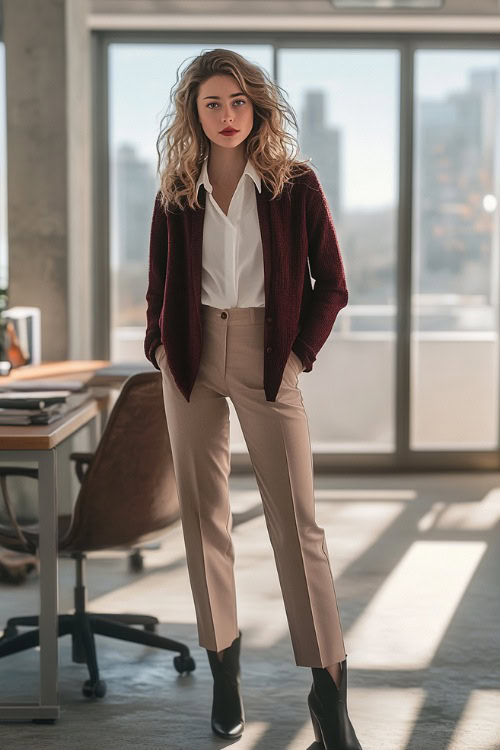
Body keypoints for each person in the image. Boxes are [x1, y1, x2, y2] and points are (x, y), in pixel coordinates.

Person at [144, 48, 363, 749]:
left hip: (271, 357)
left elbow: (332, 282)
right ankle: (225, 676)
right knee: (205, 519)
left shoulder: (295, 184)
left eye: (237, 102)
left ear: (257, 107)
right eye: (212, 103)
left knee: (298, 526)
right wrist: (159, 346)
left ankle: (329, 695)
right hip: (192, 355)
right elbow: (159, 288)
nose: (227, 115)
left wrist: (299, 353)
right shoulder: (176, 188)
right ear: (194, 113)